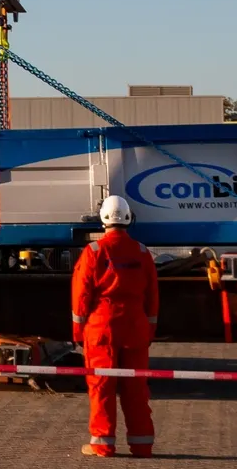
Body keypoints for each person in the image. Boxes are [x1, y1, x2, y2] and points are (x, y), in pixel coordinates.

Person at [72, 195, 159, 457]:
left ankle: (103, 444)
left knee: (102, 387)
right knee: (136, 389)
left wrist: (78, 332)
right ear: (129, 218)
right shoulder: (143, 253)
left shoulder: (94, 253)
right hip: (135, 327)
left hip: (102, 328)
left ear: (103, 220)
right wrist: (148, 332)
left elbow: (80, 297)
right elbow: (152, 298)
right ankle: (142, 445)